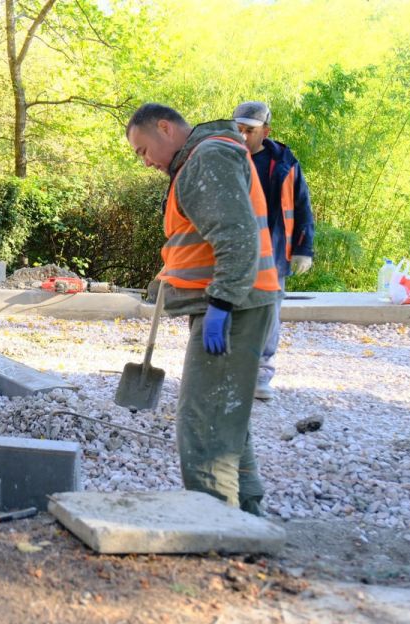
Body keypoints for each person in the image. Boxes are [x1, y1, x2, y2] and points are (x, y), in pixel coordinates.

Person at [125, 103, 279, 515]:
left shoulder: (205, 159)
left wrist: (223, 303)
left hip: (236, 307)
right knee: (225, 416)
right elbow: (205, 238)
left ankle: (217, 527)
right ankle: (246, 514)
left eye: (143, 151)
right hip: (239, 302)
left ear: (164, 128)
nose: (145, 162)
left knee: (204, 424)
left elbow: (236, 236)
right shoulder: (203, 158)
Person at [232, 101, 315, 400]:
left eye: (249, 130)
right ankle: (228, 373)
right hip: (231, 254)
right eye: (237, 129)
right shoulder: (225, 159)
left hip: (274, 253)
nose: (242, 136)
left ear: (266, 131)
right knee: (228, 312)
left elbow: (302, 206)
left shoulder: (285, 164)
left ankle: (260, 376)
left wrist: (304, 248)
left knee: (267, 316)